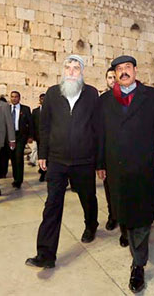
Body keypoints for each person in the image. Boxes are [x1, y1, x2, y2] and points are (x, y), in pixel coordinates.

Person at [96, 55, 154, 293]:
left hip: (142, 166)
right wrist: (100, 162)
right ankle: (128, 234)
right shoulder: (105, 100)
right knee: (122, 210)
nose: (123, 72)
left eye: (127, 67)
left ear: (135, 71)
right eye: (119, 69)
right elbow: (101, 134)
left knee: (141, 214)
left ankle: (138, 264)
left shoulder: (153, 97)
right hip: (115, 166)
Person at [26, 55, 99, 269]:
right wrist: (42, 154)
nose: (72, 71)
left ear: (82, 72)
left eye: (76, 68)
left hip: (84, 160)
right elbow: (45, 127)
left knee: (87, 196)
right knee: (52, 205)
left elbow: (98, 129)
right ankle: (46, 254)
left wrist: (99, 160)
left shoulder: (91, 94)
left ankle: (91, 224)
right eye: (68, 67)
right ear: (63, 70)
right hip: (57, 160)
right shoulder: (52, 93)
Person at [102, 67, 118, 231]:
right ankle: (112, 215)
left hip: (126, 154)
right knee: (109, 188)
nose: (113, 80)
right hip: (109, 153)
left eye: (115, 77)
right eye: (109, 77)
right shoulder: (102, 100)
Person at [7, 90, 34, 189]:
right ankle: (15, 178)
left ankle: (19, 180)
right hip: (10, 136)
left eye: (16, 97)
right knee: (13, 158)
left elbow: (30, 123)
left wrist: (31, 136)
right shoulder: (7, 108)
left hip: (21, 136)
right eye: (12, 97)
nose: (14, 98)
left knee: (19, 157)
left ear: (19, 98)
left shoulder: (25, 109)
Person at [31, 93, 46, 181]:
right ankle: (42, 171)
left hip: (50, 138)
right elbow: (33, 124)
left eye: (44, 99)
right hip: (39, 137)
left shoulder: (51, 110)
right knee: (41, 154)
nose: (43, 100)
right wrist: (32, 136)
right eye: (41, 99)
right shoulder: (35, 111)